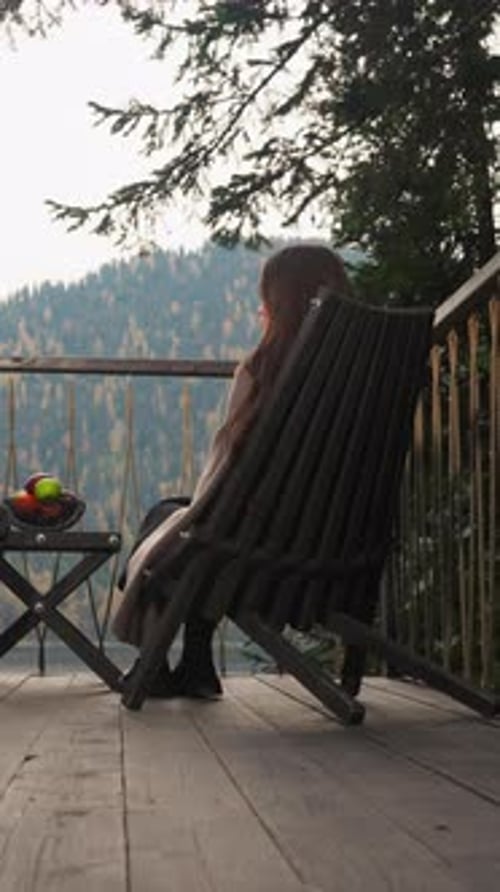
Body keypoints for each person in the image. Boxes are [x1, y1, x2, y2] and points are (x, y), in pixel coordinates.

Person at [113, 241, 353, 699]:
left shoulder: (265, 371)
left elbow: (227, 473)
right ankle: (195, 664)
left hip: (266, 546)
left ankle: (158, 664)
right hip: (335, 539)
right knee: (175, 516)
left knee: (172, 523)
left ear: (276, 304)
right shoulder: (360, 377)